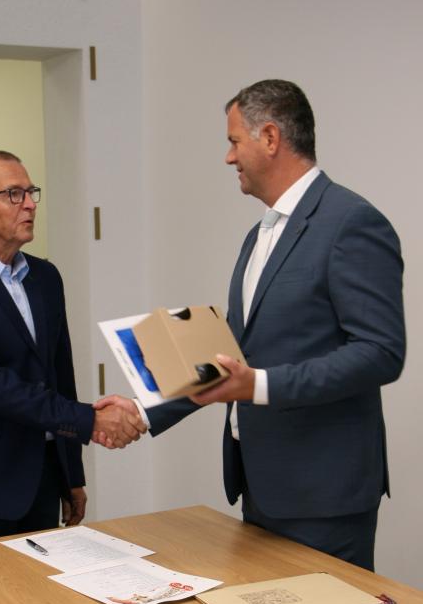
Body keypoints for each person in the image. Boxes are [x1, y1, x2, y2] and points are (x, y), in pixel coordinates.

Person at [96, 80, 405, 571]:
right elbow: (234, 358)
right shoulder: (258, 234)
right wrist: (144, 409)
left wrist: (258, 385)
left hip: (324, 495)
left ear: (270, 137)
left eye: (234, 141)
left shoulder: (352, 222)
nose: (228, 157)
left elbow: (380, 353)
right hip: (261, 485)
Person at [0, 150, 145, 546]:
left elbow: (59, 376)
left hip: (40, 477)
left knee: (42, 585)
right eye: (13, 194)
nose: (30, 204)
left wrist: (71, 475)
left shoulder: (45, 276)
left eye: (31, 192)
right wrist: (90, 420)